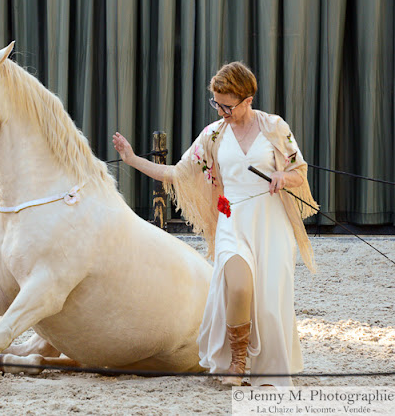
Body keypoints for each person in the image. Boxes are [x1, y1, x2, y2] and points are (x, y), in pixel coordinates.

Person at [112, 61, 318, 387]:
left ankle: (265, 367)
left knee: (266, 302)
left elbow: (300, 172)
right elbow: (178, 173)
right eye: (216, 103)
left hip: (270, 224)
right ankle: (236, 362)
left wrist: (282, 176)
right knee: (237, 287)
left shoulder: (276, 128)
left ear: (247, 98)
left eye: (227, 104)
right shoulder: (213, 135)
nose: (221, 110)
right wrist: (133, 159)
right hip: (232, 219)